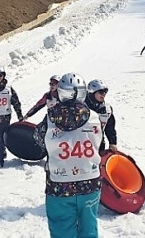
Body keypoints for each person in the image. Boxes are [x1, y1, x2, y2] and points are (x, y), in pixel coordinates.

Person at [43, 73, 103, 238]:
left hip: (59, 185)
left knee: (61, 228)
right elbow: (99, 141)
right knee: (89, 227)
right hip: (90, 182)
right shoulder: (94, 117)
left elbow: (39, 140)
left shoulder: (50, 117)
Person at [86, 79, 118, 152]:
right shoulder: (81, 107)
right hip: (81, 145)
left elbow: (110, 127)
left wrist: (112, 142)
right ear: (92, 92)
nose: (103, 94)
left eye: (105, 92)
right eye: (101, 92)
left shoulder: (107, 109)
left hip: (99, 145)